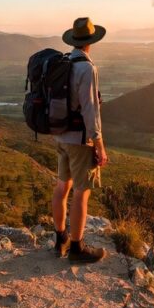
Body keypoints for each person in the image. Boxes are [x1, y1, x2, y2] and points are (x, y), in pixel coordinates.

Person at [52, 17, 109, 263]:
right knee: (82, 192)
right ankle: (77, 248)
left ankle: (60, 238)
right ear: (90, 42)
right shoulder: (87, 68)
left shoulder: (64, 63)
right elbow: (90, 110)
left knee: (62, 186)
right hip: (79, 140)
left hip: (60, 136)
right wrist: (99, 146)